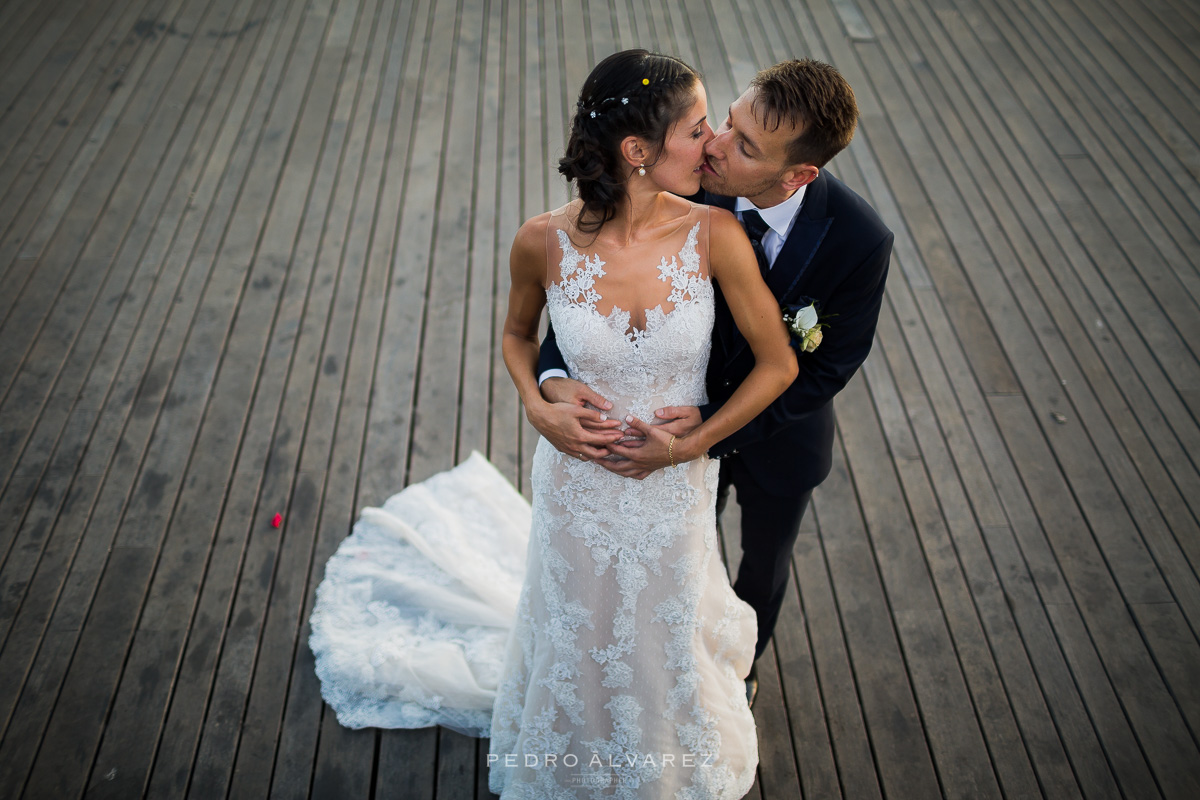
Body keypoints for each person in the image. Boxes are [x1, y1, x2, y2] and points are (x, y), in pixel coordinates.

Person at [308, 50, 797, 799]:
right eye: (697, 129)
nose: (713, 144)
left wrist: (691, 445)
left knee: (659, 627)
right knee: (583, 625)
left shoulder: (714, 237)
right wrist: (538, 407)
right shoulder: (542, 240)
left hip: (675, 486)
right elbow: (516, 337)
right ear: (637, 152)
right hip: (576, 484)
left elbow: (778, 365)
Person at [535, 59, 894, 704]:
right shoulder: (689, 180)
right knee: (685, 560)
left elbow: (822, 369)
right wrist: (553, 374)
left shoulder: (859, 241)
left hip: (777, 439)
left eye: (746, 145)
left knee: (765, 561)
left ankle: (741, 665)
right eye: (727, 121)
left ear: (800, 174)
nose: (718, 147)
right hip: (662, 429)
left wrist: (708, 431)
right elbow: (593, 295)